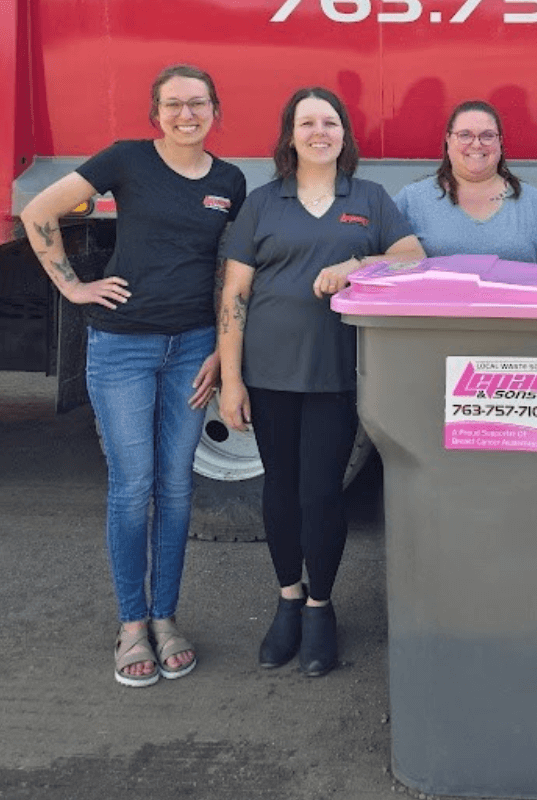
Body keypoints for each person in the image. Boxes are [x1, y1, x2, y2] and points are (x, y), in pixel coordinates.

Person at [19, 64, 247, 687]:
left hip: (193, 348)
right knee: (131, 486)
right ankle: (130, 624)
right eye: (173, 105)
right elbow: (39, 209)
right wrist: (75, 286)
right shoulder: (126, 159)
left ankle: (166, 618)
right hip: (121, 347)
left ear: (215, 110)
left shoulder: (229, 180)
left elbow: (234, 269)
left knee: (175, 489)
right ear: (156, 113)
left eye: (197, 103)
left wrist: (223, 353)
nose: (185, 115)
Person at [217, 87, 423, 678]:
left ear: (343, 135)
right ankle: (286, 601)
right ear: (289, 136)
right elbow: (234, 294)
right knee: (280, 490)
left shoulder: (370, 199)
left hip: (337, 374)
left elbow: (413, 258)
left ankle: (319, 608)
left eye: (329, 122)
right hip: (270, 373)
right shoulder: (263, 204)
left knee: (322, 493)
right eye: (306, 123)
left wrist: (358, 266)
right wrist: (232, 380)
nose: (318, 132)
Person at [394, 99, 537, 264]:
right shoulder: (412, 200)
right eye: (465, 135)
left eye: (487, 136)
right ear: (448, 140)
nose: (476, 144)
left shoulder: (535, 204)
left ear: (500, 143)